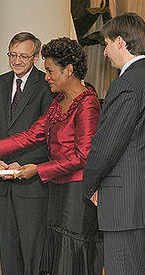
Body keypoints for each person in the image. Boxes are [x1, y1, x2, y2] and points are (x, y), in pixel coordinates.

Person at [0, 37, 104, 275]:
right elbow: (32, 134)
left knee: (72, 253)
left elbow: (82, 156)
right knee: (55, 251)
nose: (46, 77)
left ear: (69, 71)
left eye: (50, 71)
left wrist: (38, 169)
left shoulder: (87, 103)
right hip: (57, 188)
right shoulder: (59, 102)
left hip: (76, 191)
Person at [0, 32, 54, 275]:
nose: (17, 60)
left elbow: (46, 134)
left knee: (33, 248)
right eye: (12, 55)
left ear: (36, 57)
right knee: (9, 246)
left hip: (31, 178)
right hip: (3, 177)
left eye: (24, 56)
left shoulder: (47, 85)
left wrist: (21, 164)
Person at [82, 13, 145, 275]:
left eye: (106, 43)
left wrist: (90, 184)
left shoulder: (126, 84)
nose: (105, 52)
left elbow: (107, 145)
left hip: (124, 201)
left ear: (120, 42)